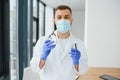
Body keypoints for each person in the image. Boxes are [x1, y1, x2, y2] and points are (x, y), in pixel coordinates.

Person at [30, 5, 88, 80]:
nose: (63, 20)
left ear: (71, 20)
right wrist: (42, 57)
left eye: (66, 17)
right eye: (59, 17)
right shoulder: (43, 41)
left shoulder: (79, 43)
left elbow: (83, 71)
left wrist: (77, 62)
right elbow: (34, 68)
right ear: (54, 20)